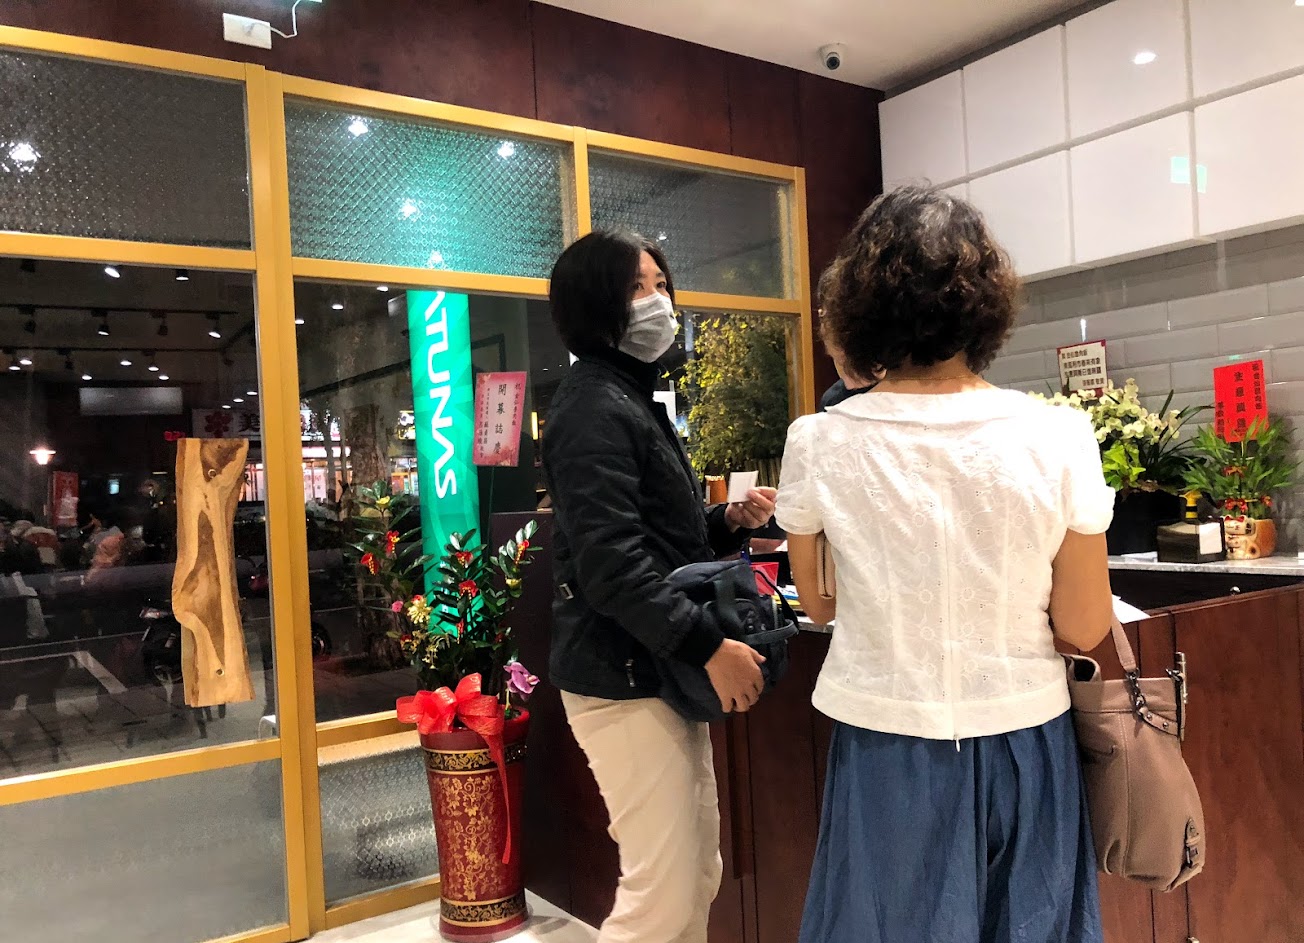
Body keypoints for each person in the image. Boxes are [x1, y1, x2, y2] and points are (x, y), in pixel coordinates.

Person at [776, 186, 1115, 943]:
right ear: (986, 305)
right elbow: (1085, 623)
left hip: (886, 739)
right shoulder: (1058, 435)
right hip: (1026, 738)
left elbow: (820, 605)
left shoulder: (820, 441)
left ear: (859, 304)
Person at [543, 229, 777, 943]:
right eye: (637, 288)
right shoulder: (593, 407)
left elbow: (654, 540)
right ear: (595, 306)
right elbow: (612, 568)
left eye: (661, 284)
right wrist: (709, 646)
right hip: (621, 676)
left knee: (694, 876)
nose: (659, 302)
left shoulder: (630, 397)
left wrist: (725, 522)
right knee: (662, 895)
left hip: (651, 668)